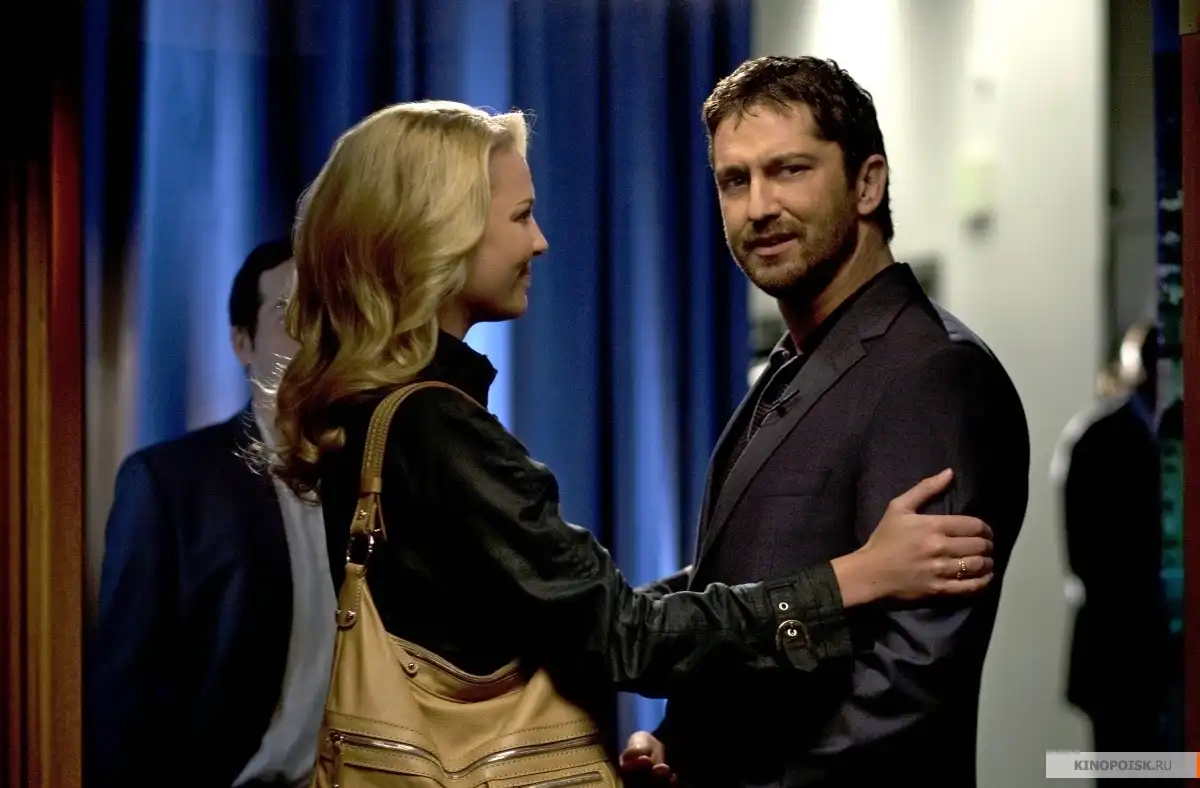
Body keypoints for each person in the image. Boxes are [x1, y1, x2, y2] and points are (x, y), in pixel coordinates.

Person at [269, 99, 996, 761]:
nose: (541, 242)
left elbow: (570, 615)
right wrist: (852, 579)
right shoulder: (433, 430)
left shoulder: (374, 412)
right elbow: (624, 635)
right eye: (521, 217)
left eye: (789, 171)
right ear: (439, 233)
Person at [622, 56, 1031, 787]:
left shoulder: (932, 372)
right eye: (734, 180)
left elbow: (909, 680)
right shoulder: (796, 363)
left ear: (867, 184)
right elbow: (752, 575)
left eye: (789, 170)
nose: (758, 206)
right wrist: (682, 739)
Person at [89, 241, 336, 788]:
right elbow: (123, 690)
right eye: (288, 314)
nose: (311, 333)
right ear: (242, 343)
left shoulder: (375, 479)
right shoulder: (171, 484)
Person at [1054, 323, 1170, 758]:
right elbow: (1090, 560)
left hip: (1141, 653)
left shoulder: (1110, 436)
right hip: (1122, 654)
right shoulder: (1101, 441)